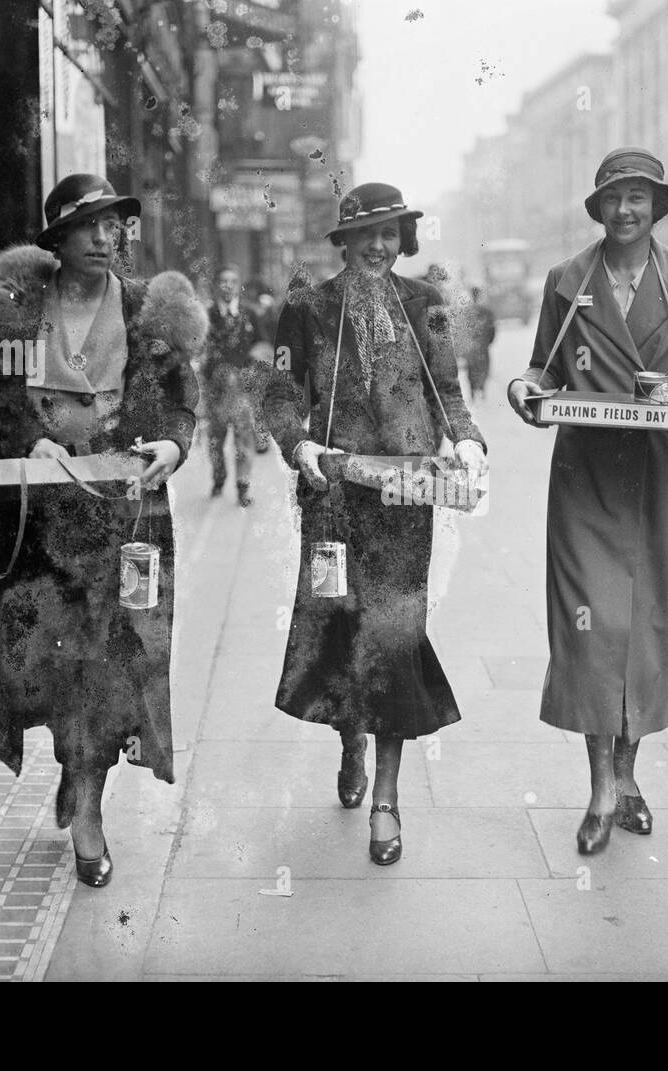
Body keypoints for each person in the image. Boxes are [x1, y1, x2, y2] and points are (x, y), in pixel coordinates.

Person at [0, 173, 203, 888]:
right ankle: (74, 764)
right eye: (89, 225)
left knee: (109, 664)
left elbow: (183, 397)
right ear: (57, 237)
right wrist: (29, 437)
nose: (105, 237)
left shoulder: (147, 309)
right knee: (54, 663)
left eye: (114, 224)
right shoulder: (14, 310)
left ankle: (87, 804)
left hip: (124, 519)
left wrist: (173, 445)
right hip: (38, 525)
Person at [507, 148, 668, 855]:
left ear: (656, 205)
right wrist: (524, 390)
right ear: (599, 206)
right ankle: (601, 786)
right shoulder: (567, 281)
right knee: (592, 634)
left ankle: (629, 775)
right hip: (585, 482)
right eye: (614, 197)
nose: (625, 209)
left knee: (648, 632)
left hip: (660, 479)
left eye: (639, 197)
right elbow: (543, 366)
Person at [263, 182, 487, 865]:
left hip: (403, 500)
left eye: (390, 233)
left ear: (404, 238)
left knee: (393, 640)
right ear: (345, 241)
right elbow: (279, 392)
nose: (379, 246)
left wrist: (469, 443)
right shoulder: (306, 308)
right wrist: (297, 445)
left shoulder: (426, 307)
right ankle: (350, 740)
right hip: (332, 498)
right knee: (337, 635)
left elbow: (449, 391)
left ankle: (387, 801)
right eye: (366, 235)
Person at [202, 264, 269, 505]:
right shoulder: (207, 316)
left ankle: (243, 487)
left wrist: (252, 368)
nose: (228, 285)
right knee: (216, 440)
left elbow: (263, 346)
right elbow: (199, 350)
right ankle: (219, 478)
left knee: (244, 439)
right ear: (216, 286)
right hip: (216, 391)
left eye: (232, 281)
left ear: (237, 285)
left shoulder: (250, 314)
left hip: (242, 391)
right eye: (223, 281)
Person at [461, 286, 496, 401]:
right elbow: (492, 329)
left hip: (471, 347)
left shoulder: (466, 311)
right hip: (482, 346)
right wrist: (488, 342)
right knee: (483, 367)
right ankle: (481, 389)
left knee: (471, 369)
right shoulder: (486, 311)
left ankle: (473, 391)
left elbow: (462, 330)